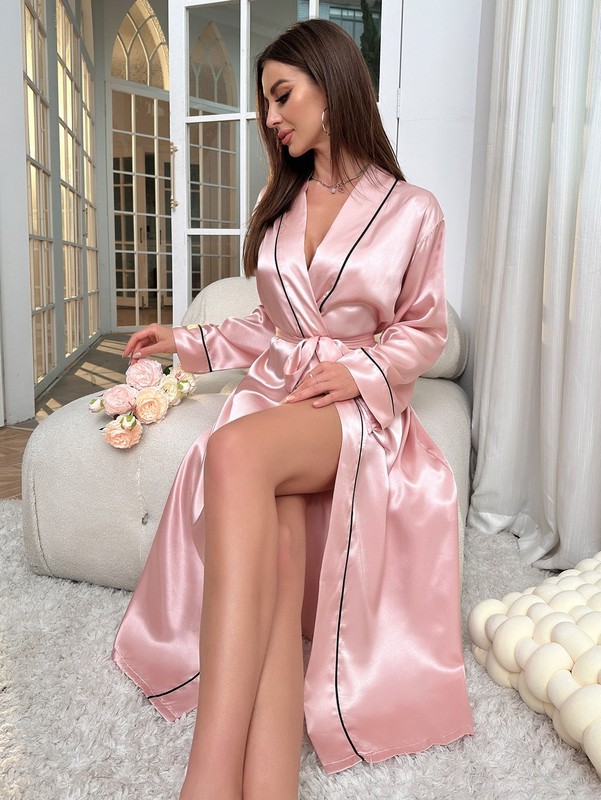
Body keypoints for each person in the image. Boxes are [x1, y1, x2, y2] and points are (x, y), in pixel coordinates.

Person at [113, 18, 473, 800]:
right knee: (273, 538)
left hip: (351, 406)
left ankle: (205, 776)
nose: (271, 118)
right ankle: (268, 782)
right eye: (265, 104)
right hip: (278, 393)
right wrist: (185, 339)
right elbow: (271, 325)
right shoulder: (279, 204)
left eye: (282, 96)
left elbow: (424, 330)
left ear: (331, 85)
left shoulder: (412, 209)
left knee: (233, 450)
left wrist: (360, 370)